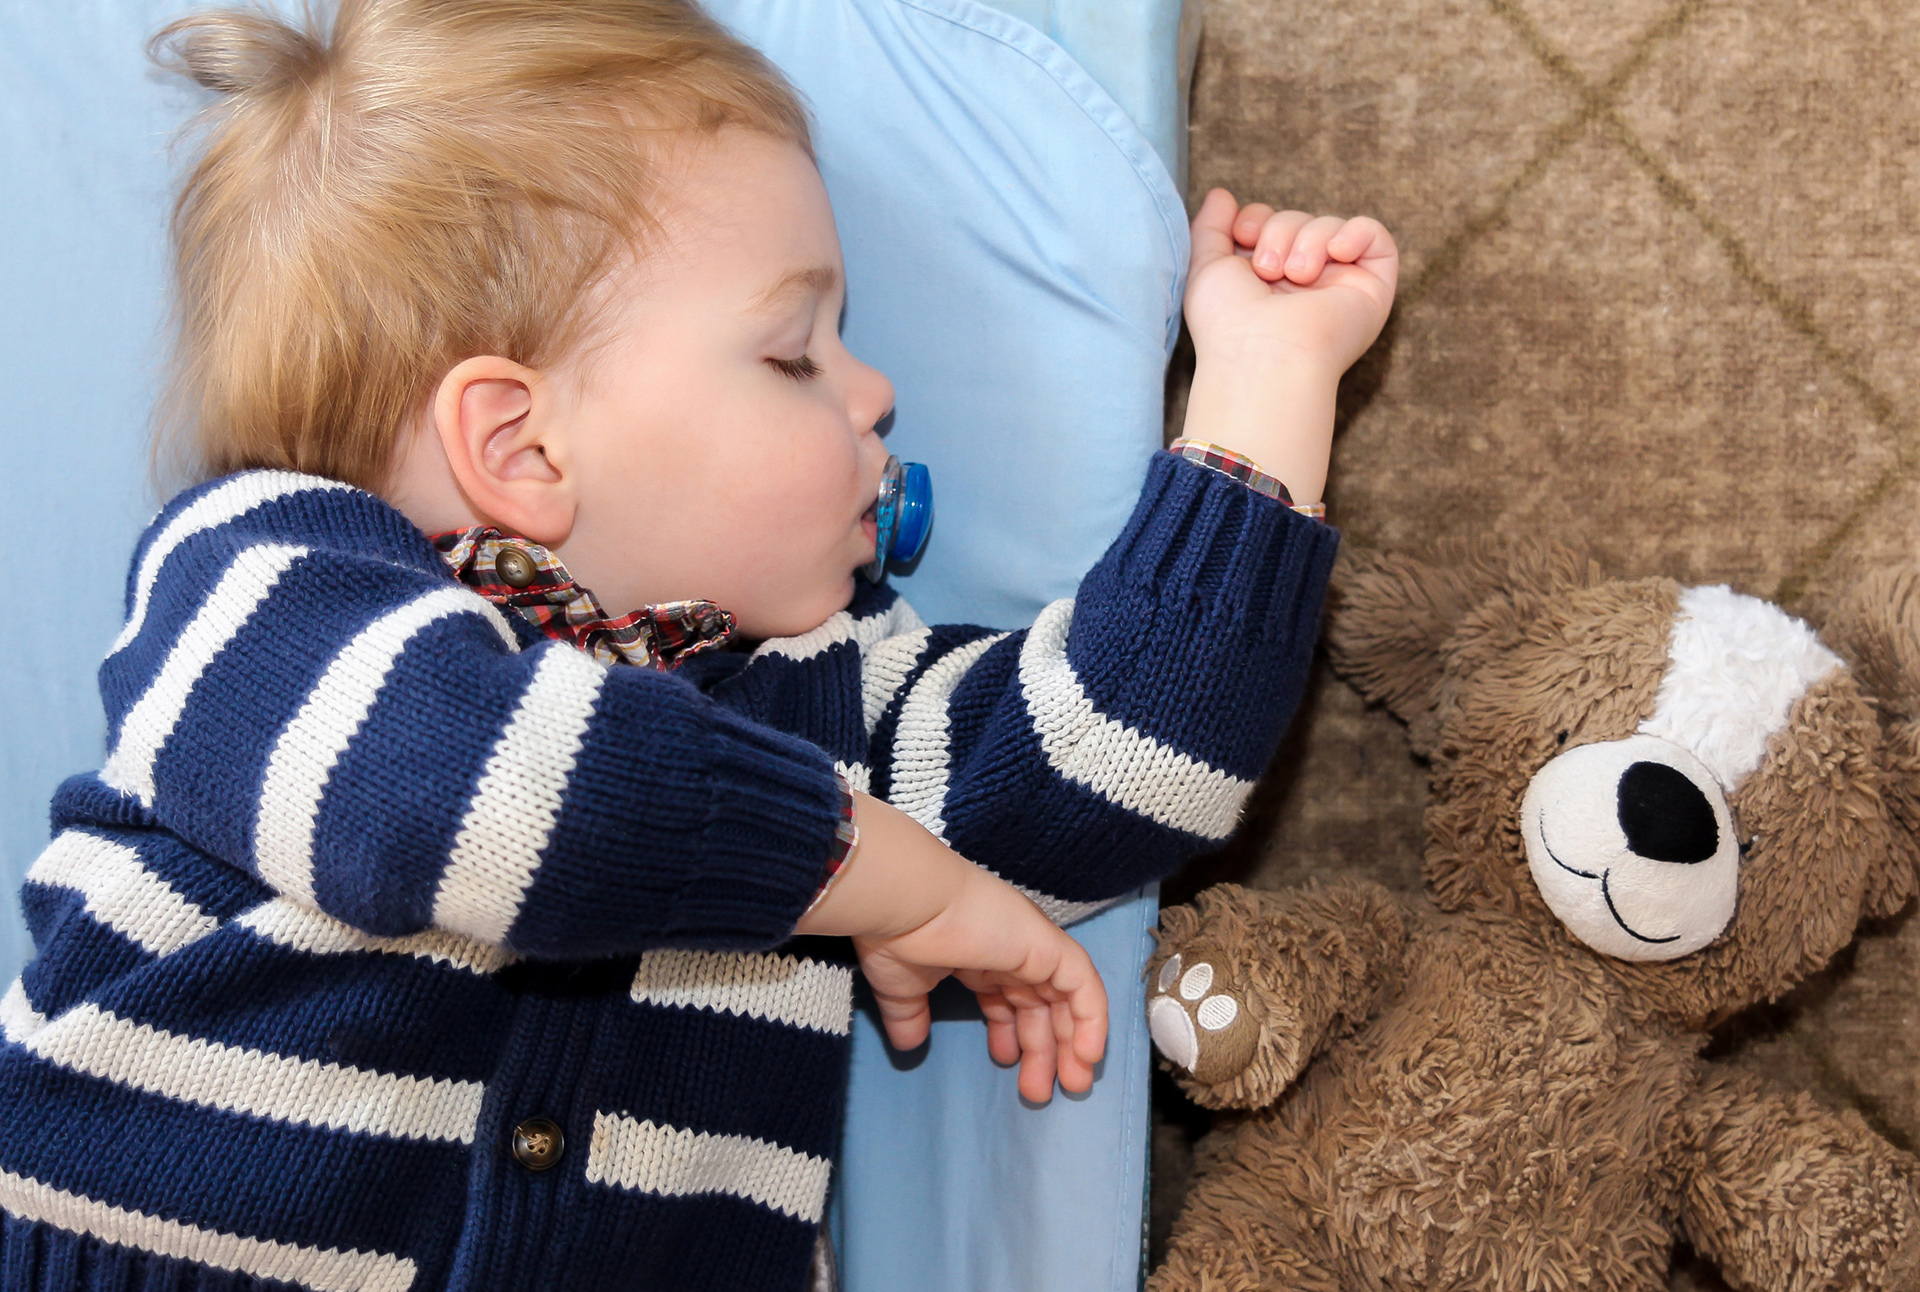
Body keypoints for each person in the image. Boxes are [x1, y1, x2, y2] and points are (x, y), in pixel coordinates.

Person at [0, 2, 1396, 1290]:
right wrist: (879, 878)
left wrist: (1264, 390)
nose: (878, 391)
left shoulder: (819, 686)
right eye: (796, 354)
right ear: (521, 445)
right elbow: (465, 799)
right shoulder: (264, 586)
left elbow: (1107, 765)